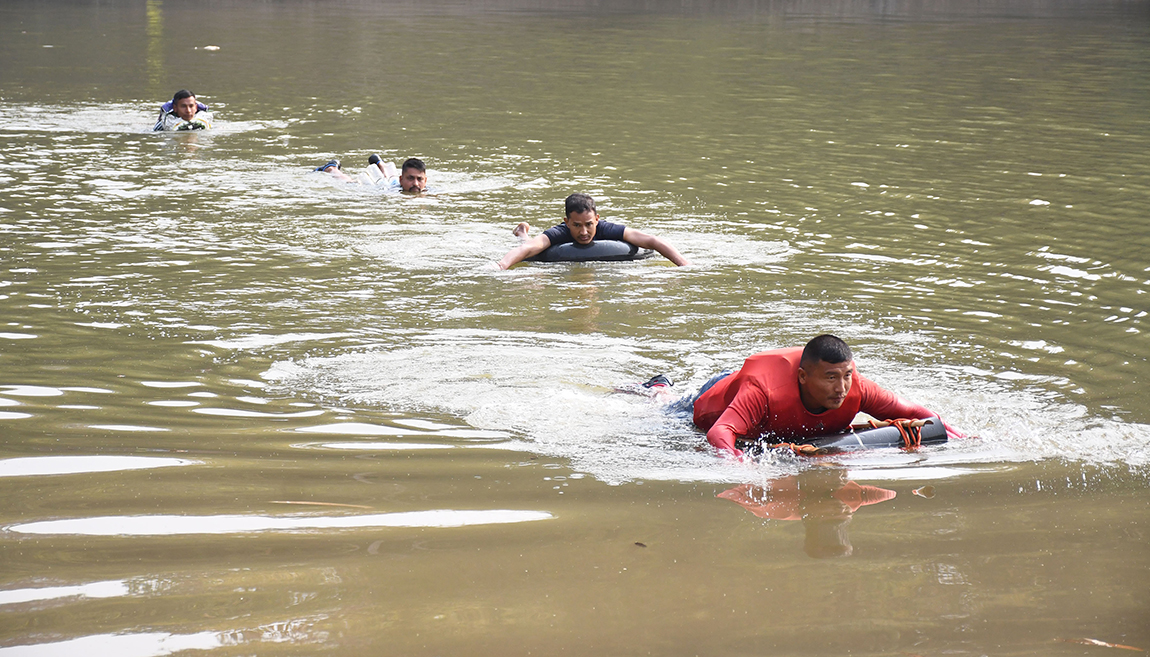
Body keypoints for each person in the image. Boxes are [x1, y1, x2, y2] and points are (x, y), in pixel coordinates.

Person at [680, 334, 960, 458]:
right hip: (711, 397)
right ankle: (657, 386)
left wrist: (962, 437)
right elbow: (719, 432)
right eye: (830, 378)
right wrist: (738, 464)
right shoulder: (763, 391)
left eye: (846, 376)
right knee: (668, 404)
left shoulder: (855, 386)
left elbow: (913, 412)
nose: (841, 388)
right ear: (803, 377)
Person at [494, 193, 690, 269]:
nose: (584, 232)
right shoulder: (559, 233)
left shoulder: (606, 229)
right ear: (567, 222)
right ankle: (521, 233)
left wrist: (684, 264)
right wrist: (500, 266)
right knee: (527, 245)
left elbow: (651, 240)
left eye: (589, 224)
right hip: (547, 244)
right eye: (577, 225)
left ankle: (521, 231)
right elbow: (529, 249)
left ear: (597, 219)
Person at [315, 155, 428, 194]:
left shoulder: (429, 191)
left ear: (425, 181)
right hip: (381, 186)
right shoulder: (393, 192)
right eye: (411, 178)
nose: (415, 183)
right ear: (401, 179)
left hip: (392, 182)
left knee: (390, 175)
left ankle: (380, 163)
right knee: (351, 183)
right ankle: (331, 168)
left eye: (419, 179)